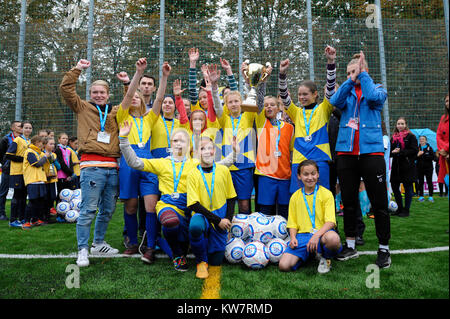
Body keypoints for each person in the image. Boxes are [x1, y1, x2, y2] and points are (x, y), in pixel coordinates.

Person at [119, 120, 238, 271]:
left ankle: (159, 240)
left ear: (189, 145)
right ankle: (176, 254)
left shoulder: (195, 163)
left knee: (190, 241)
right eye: (175, 140)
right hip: (168, 205)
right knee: (170, 221)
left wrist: (234, 153)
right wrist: (123, 140)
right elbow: (135, 162)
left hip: (189, 208)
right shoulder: (162, 163)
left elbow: (221, 166)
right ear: (171, 144)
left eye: (182, 140)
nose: (178, 143)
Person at [330, 51, 391, 268]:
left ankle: (384, 248)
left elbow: (374, 99)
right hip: (346, 154)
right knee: (348, 202)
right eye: (348, 72)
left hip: (371, 154)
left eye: (354, 71)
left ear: (364, 70)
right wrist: (348, 80)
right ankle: (350, 245)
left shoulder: (378, 89)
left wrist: (363, 75)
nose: (351, 74)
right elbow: (334, 101)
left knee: (379, 203)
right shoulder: (346, 93)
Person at [60, 58, 121, 267]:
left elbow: (132, 101)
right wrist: (77, 69)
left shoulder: (114, 112)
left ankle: (98, 242)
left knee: (108, 209)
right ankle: (83, 249)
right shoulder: (82, 107)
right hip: (91, 166)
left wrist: (126, 83)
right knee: (88, 210)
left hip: (113, 168)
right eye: (95, 92)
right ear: (90, 94)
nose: (98, 95)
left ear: (108, 94)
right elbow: (66, 89)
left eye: (102, 92)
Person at [116, 58, 173, 264]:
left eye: (138, 98)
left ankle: (149, 246)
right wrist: (138, 73)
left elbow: (158, 100)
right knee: (131, 207)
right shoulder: (122, 116)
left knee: (151, 206)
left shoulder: (149, 118)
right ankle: (132, 242)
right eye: (132, 97)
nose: (134, 99)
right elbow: (129, 93)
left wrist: (164, 77)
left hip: (148, 164)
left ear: (142, 102)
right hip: (128, 163)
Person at [278, 46, 337, 193]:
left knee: (322, 196)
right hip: (299, 159)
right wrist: (282, 74)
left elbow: (330, 89)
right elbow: (284, 96)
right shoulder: (296, 112)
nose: (301, 97)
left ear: (315, 94)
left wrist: (331, 62)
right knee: (298, 197)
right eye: (299, 95)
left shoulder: (324, 108)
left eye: (305, 94)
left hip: (320, 158)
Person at [209, 63, 257, 215]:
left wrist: (247, 81)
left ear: (241, 103)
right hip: (227, 165)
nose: (234, 104)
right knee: (228, 202)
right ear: (227, 105)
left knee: (244, 204)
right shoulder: (224, 119)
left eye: (237, 101)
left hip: (244, 165)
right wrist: (215, 86)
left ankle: (246, 232)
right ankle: (227, 232)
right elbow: (217, 105)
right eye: (230, 102)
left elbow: (252, 96)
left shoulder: (248, 116)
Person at [278, 160, 342, 274]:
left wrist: (316, 236)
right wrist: (293, 238)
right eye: (305, 174)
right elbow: (292, 223)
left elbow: (331, 221)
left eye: (313, 173)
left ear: (318, 174)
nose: (310, 177)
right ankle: (308, 255)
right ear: (299, 176)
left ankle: (325, 258)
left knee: (334, 239)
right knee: (284, 265)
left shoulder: (326, 194)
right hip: (303, 236)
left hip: (322, 234)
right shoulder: (295, 196)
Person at [187, 136, 237, 279]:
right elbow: (193, 204)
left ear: (214, 151)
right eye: (202, 148)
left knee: (216, 262)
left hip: (221, 216)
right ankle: (201, 262)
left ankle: (208, 244)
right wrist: (217, 220)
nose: (207, 151)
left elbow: (231, 198)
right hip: (203, 215)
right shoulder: (193, 174)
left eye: (209, 148)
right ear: (197, 153)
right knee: (195, 226)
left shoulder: (223, 170)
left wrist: (227, 219)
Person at [390, 117, 418, 217]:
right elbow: (389, 151)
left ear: (405, 125)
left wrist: (401, 152)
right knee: (394, 187)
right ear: (396, 125)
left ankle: (406, 210)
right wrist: (392, 152)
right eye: (398, 124)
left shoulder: (411, 136)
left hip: (407, 167)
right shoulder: (393, 137)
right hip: (396, 167)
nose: (400, 126)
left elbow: (414, 150)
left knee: (407, 188)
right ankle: (399, 209)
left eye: (402, 124)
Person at [6, 121, 32, 228]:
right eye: (26, 127)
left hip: (26, 173)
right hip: (17, 172)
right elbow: (9, 155)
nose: (28, 130)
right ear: (21, 129)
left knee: (23, 197)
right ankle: (12, 220)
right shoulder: (17, 140)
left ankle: (22, 218)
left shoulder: (30, 141)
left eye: (30, 128)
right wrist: (24, 159)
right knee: (17, 196)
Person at [21, 135, 51, 229]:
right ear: (36, 142)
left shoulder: (40, 153)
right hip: (32, 180)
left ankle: (35, 219)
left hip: (41, 180)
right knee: (33, 201)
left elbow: (50, 160)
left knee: (40, 201)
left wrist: (49, 156)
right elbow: (37, 164)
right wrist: (46, 156)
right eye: (42, 143)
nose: (43, 145)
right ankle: (26, 222)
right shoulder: (29, 151)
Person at [0, 121, 23, 221]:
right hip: (8, 170)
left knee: (18, 192)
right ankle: (1, 213)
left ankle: (17, 213)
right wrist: (5, 165)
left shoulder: (24, 139)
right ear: (13, 128)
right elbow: (1, 154)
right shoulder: (5, 139)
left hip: (19, 169)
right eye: (19, 126)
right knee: (3, 192)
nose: (21, 128)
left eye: (22, 126)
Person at [54, 132, 77, 202]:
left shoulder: (68, 150)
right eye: (63, 138)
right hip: (61, 175)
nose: (65, 140)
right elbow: (61, 163)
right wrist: (70, 173)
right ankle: (59, 209)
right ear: (59, 140)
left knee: (68, 194)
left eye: (66, 138)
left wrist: (71, 174)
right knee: (61, 194)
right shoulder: (58, 149)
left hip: (68, 175)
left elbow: (70, 162)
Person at [42, 136, 59, 222]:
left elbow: (58, 167)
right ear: (45, 145)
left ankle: (49, 216)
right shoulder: (42, 154)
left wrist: (54, 160)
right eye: (51, 144)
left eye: (53, 144)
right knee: (45, 197)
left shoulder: (54, 154)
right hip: (45, 179)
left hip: (53, 179)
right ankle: (44, 216)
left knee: (52, 197)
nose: (53, 146)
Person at [436, 93, 449, 194]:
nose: (448, 103)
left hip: (446, 152)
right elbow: (438, 136)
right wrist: (442, 150)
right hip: (445, 155)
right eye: (447, 101)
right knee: (447, 181)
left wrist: (446, 149)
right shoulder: (443, 118)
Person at [416, 135, 435, 202]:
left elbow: (433, 157)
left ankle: (430, 196)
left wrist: (424, 154)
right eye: (420, 139)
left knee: (429, 182)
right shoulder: (417, 148)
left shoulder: (430, 148)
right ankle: (421, 196)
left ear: (426, 140)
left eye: (423, 139)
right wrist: (418, 155)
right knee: (420, 182)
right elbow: (414, 158)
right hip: (419, 168)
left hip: (428, 168)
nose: (421, 140)